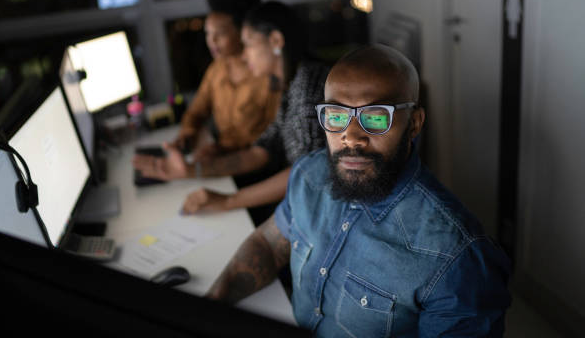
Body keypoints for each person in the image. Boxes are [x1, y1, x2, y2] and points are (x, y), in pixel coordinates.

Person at [205, 45, 512, 337]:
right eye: (336, 117)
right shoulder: (309, 175)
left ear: (415, 123)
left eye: (376, 117)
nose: (351, 137)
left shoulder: (457, 256)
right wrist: (209, 305)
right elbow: (269, 244)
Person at [133, 1, 330, 223]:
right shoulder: (288, 85)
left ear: (275, 41)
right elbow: (261, 151)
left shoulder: (308, 86)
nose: (244, 56)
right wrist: (191, 170)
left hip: (316, 212)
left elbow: (306, 175)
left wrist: (228, 201)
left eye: (248, 45)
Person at [174, 0, 281, 161]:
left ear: (243, 32)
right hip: (219, 156)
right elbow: (197, 111)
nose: (212, 41)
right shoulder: (217, 68)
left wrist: (221, 150)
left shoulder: (267, 75)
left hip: (250, 165)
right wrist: (188, 132)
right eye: (208, 33)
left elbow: (271, 142)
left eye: (220, 34)